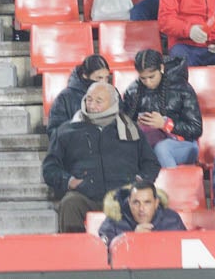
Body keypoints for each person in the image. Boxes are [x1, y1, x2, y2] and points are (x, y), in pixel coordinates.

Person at [44, 81, 161, 233]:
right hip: (87, 196)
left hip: (125, 197)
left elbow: (151, 163)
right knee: (70, 203)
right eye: (89, 99)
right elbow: (50, 168)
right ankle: (75, 254)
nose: (92, 105)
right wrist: (70, 182)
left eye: (99, 101)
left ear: (113, 104)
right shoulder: (66, 131)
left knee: (144, 203)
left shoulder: (131, 129)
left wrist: (140, 180)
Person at [120, 50, 202, 168]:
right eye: (143, 78)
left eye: (152, 77)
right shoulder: (133, 90)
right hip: (147, 141)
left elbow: (196, 128)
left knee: (162, 148)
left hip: (183, 144)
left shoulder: (181, 88)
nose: (148, 82)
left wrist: (166, 124)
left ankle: (171, 186)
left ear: (161, 68)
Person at [96, 179, 187, 241]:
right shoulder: (114, 221)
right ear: (129, 202)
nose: (141, 208)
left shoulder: (172, 220)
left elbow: (186, 251)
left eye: (147, 202)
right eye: (136, 202)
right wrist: (132, 239)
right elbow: (103, 255)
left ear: (156, 203)